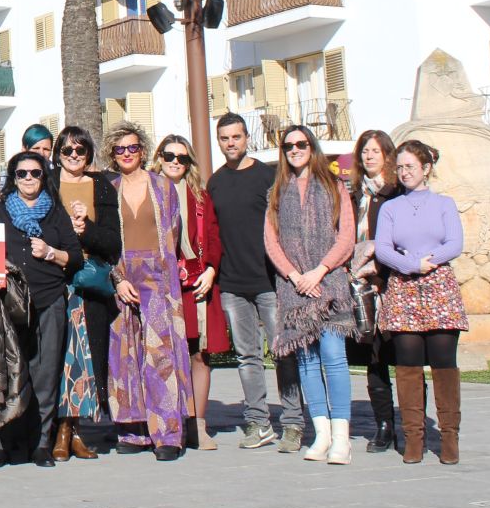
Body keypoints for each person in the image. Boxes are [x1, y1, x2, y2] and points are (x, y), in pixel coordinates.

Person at [208, 112, 304, 452]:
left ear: (247, 138)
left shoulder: (269, 175)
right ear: (218, 141)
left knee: (283, 352)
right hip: (233, 284)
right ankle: (258, 422)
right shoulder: (215, 182)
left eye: (236, 137)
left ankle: (293, 422)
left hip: (270, 281)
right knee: (247, 356)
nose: (230, 143)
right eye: (224, 138)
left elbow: (289, 223)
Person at [265, 124, 357, 466]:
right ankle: (321, 434)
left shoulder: (334, 187)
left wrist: (320, 270)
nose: (295, 149)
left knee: (334, 356)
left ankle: (342, 437)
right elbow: (271, 241)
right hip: (294, 289)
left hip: (329, 282)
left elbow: (346, 236)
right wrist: (294, 275)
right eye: (288, 145)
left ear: (312, 147)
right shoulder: (277, 191)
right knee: (306, 362)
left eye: (301, 144)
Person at [104, 121, 193, 460]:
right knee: (125, 354)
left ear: (142, 150)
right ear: (113, 154)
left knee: (161, 356)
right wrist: (118, 277)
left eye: (133, 147)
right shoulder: (108, 189)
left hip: (157, 275)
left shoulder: (163, 187)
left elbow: (172, 233)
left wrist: (166, 283)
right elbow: (106, 243)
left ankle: (168, 434)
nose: (127, 154)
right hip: (123, 276)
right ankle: (134, 430)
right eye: (120, 149)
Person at [376, 140, 468, 466]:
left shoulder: (444, 203)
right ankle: (413, 437)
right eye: (399, 167)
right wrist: (412, 265)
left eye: (410, 167)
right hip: (403, 287)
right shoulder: (390, 208)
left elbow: (455, 242)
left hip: (439, 286)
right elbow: (383, 248)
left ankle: (449, 437)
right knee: (408, 364)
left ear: (426, 168)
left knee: (444, 362)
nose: (404, 173)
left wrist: (429, 261)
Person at [0, 150, 82, 466]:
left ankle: (41, 442)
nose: (29, 178)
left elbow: (75, 256)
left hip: (49, 299)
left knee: (45, 373)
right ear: (13, 178)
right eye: (22, 173)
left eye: (35, 173)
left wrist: (52, 252)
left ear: (44, 177)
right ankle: (4, 442)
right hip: (9, 303)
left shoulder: (56, 213)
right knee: (8, 372)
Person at [151, 134, 227, 452]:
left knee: (199, 353)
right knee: (164, 354)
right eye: (170, 156)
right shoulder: (148, 192)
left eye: (182, 158)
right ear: (159, 158)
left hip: (196, 279)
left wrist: (210, 269)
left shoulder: (199, 195)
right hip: (160, 283)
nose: (175, 162)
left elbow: (212, 234)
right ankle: (168, 425)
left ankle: (198, 424)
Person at [51, 125, 117, 459]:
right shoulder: (48, 183)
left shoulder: (101, 186)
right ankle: (59, 430)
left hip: (88, 282)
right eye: (67, 150)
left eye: (81, 151)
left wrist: (85, 229)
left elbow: (112, 241)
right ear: (58, 153)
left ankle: (75, 430)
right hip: (54, 280)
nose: (74, 156)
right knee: (59, 356)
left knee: (86, 357)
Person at [349, 129, 404, 454]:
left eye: (375, 151)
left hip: (393, 283)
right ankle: (384, 425)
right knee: (375, 358)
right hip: (363, 287)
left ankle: (412, 422)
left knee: (406, 356)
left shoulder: (396, 194)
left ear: (387, 156)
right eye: (364, 151)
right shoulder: (356, 195)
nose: (369, 156)